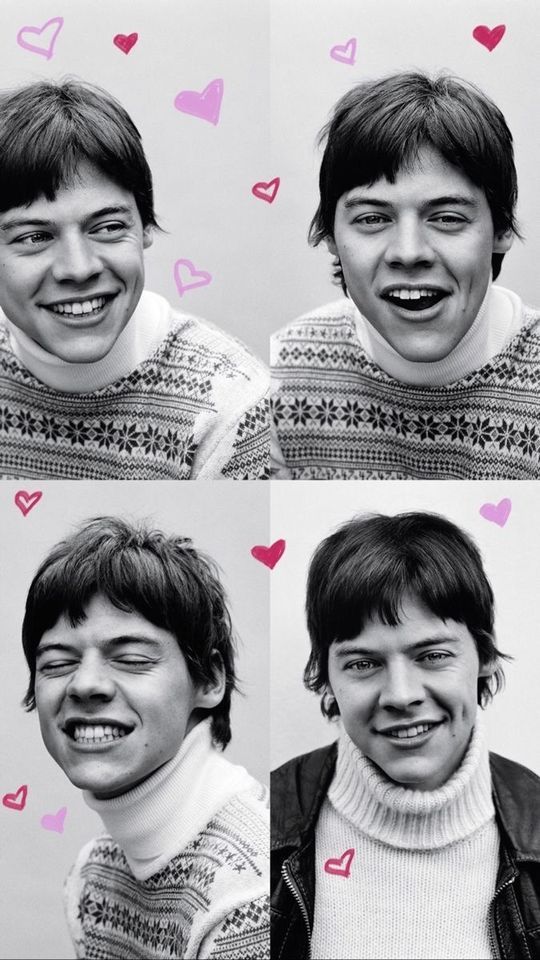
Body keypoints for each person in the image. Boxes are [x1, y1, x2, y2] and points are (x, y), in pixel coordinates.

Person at [271, 512, 540, 959]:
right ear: (326, 676)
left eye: (432, 655)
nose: (400, 695)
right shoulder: (268, 822)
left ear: (485, 658)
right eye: (363, 663)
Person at [271, 72, 540, 480]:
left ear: (501, 230)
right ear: (330, 236)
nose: (409, 252)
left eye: (448, 218)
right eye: (373, 218)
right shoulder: (281, 377)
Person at [21, 517, 270, 959]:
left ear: (210, 680)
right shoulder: (92, 877)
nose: (84, 685)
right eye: (57, 663)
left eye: (131, 659)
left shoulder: (252, 889)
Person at [0, 79, 269, 479]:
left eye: (106, 227)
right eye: (35, 237)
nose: (78, 268)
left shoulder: (235, 407)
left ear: (144, 228)